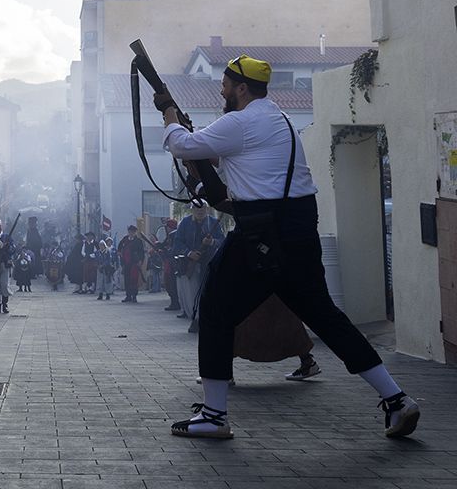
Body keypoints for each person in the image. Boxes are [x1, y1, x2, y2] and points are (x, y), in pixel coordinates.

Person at [159, 54, 419, 439]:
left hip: (261, 232)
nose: (222, 90)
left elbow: (182, 146)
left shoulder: (241, 122)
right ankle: (395, 398)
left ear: (242, 88)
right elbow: (226, 159)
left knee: (213, 309)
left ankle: (214, 415)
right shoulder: (277, 119)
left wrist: (168, 114)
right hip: (297, 228)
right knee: (326, 317)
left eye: (227, 84)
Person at [172, 202, 224, 333]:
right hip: (191, 264)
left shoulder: (213, 222)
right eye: (197, 208)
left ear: (207, 209)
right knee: (192, 293)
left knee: (208, 292)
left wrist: (211, 242)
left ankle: (206, 320)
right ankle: (195, 319)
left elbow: (222, 241)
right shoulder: (185, 223)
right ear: (193, 209)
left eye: (203, 208)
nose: (200, 211)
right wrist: (190, 253)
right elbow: (177, 242)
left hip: (209, 263)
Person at [118, 224, 146, 303]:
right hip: (126, 263)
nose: (131, 233)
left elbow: (141, 252)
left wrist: (140, 261)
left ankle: (134, 296)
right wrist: (119, 253)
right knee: (127, 279)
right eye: (130, 231)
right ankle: (128, 295)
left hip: (134, 263)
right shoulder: (125, 239)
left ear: (135, 232)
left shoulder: (138, 241)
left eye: (133, 232)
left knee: (134, 280)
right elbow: (119, 247)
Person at [95, 235, 116, 300]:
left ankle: (108, 294)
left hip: (106, 269)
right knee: (100, 282)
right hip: (100, 269)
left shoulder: (107, 252)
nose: (101, 247)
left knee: (107, 282)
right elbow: (96, 260)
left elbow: (108, 260)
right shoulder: (97, 253)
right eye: (100, 245)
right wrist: (98, 265)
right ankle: (100, 294)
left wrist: (103, 265)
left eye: (102, 245)